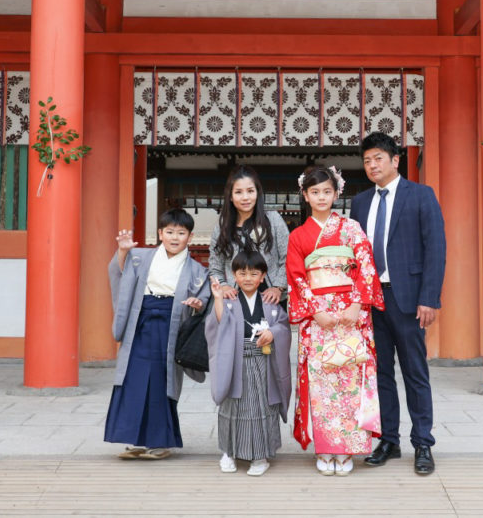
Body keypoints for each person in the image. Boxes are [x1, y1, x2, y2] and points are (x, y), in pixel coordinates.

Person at [350, 132, 446, 475]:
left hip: (407, 299)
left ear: (395, 160)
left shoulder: (420, 196)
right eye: (367, 160)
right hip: (372, 301)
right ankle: (388, 439)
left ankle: (422, 442)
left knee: (415, 373)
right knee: (380, 374)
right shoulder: (360, 203)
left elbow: (435, 248)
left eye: (378, 158)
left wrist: (429, 298)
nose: (372, 165)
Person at [286, 165, 385, 477]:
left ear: (337, 193)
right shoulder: (299, 236)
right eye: (314, 192)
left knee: (351, 379)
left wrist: (357, 304)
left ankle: (349, 450)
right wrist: (315, 310)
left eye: (327, 191)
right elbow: (296, 276)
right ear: (305, 195)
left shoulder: (352, 229)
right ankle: (327, 447)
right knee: (322, 383)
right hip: (318, 316)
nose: (321, 197)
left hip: (350, 313)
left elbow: (365, 266)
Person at [104, 208, 211, 460]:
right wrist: (122, 251)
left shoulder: (197, 270)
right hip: (141, 322)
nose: (175, 237)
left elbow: (203, 298)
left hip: (170, 324)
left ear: (190, 236)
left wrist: (198, 304)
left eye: (181, 233)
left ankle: (161, 441)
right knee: (133, 377)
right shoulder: (140, 256)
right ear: (160, 233)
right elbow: (118, 274)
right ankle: (137, 440)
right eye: (170, 232)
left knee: (162, 381)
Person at [205, 250, 292, 477]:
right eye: (242, 273)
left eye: (254, 273)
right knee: (232, 407)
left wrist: (273, 332)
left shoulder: (271, 302)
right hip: (235, 363)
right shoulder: (229, 300)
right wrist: (217, 299)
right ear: (233, 275)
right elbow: (218, 325)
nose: (248, 278)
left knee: (262, 407)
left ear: (263, 277)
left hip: (263, 364)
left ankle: (260, 455)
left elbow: (283, 326)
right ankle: (228, 452)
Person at [208, 165, 290, 307]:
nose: (245, 197)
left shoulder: (273, 219)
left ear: (258, 193)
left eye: (250, 191)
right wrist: (223, 285)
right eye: (238, 192)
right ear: (231, 197)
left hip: (270, 298)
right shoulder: (223, 226)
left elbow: (288, 257)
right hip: (234, 298)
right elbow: (215, 265)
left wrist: (278, 287)